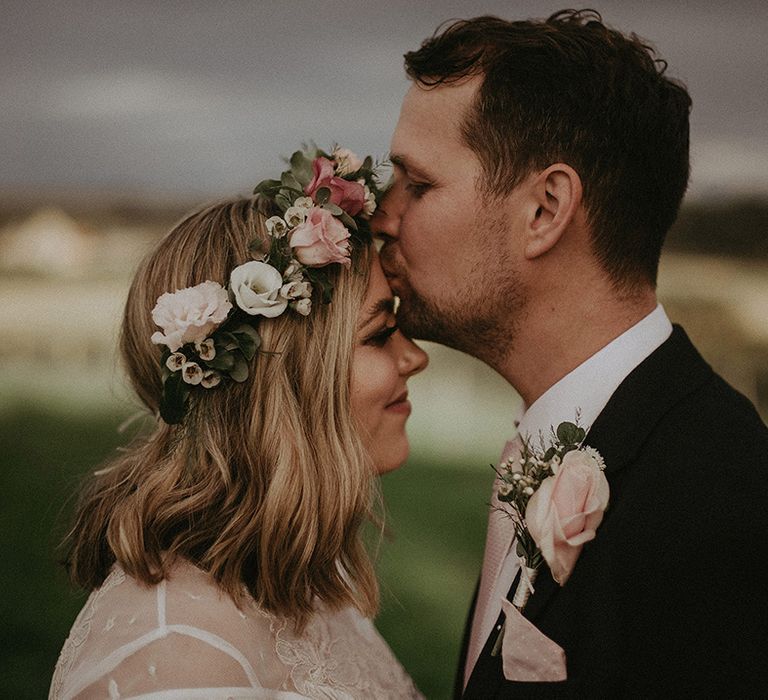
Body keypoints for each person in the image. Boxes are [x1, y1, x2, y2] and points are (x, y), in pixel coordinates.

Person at [373, 10, 768, 698]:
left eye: (418, 183)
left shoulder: (722, 507)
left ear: (546, 209)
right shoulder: (565, 443)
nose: (383, 215)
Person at [49, 147, 428, 699]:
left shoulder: (310, 586)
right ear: (283, 382)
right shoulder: (176, 656)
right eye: (377, 334)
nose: (414, 357)